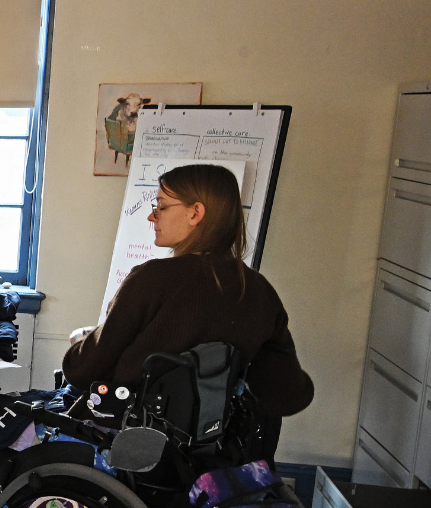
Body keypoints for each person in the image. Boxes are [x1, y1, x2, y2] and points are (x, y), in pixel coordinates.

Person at [66, 163, 313, 419]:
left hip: (123, 434)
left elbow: (82, 371)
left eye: (161, 207)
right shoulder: (260, 291)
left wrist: (82, 343)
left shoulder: (151, 279)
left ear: (195, 213)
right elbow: (289, 396)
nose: (152, 217)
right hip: (209, 441)